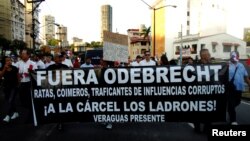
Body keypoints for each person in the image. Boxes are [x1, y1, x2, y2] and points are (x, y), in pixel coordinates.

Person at [47, 54, 69, 131]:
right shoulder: (50, 67)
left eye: (59, 58)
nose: (57, 59)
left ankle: (61, 122)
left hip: (63, 90)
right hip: (54, 90)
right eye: (56, 58)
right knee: (56, 106)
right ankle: (58, 121)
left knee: (62, 106)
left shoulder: (65, 67)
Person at [228, 51, 250, 125]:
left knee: (237, 102)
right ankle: (233, 120)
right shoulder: (227, 65)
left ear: (238, 56)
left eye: (235, 56)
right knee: (231, 104)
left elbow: (246, 77)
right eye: (232, 56)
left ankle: (230, 109)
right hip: (230, 89)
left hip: (239, 88)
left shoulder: (241, 65)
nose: (233, 57)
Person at [193, 48, 211, 133]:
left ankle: (206, 128)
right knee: (198, 111)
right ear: (203, 56)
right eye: (208, 54)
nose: (210, 55)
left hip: (209, 92)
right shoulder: (195, 66)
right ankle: (197, 127)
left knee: (209, 111)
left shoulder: (212, 66)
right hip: (198, 93)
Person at [18, 49, 38, 124]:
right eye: (22, 54)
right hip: (22, 83)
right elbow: (18, 72)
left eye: (23, 54)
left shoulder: (33, 63)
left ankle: (31, 116)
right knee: (23, 100)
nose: (22, 55)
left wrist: (30, 73)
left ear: (28, 55)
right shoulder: (19, 63)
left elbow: (35, 73)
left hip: (29, 83)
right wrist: (19, 77)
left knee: (29, 100)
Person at [0, 56, 20, 123]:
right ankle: (16, 113)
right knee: (9, 100)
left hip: (14, 87)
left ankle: (8, 116)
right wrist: (4, 69)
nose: (9, 61)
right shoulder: (2, 68)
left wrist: (18, 85)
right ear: (4, 62)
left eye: (10, 60)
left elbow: (18, 77)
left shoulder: (15, 68)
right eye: (7, 60)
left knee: (11, 100)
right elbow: (1, 76)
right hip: (6, 87)